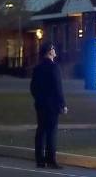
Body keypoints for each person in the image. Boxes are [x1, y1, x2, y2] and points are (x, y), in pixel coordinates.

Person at [30, 41, 67, 169]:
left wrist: (39, 99)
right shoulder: (54, 67)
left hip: (40, 105)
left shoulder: (37, 68)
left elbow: (33, 87)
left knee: (41, 131)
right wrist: (63, 104)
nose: (55, 50)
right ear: (49, 51)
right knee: (51, 132)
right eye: (53, 48)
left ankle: (40, 160)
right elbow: (58, 87)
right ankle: (51, 159)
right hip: (52, 106)